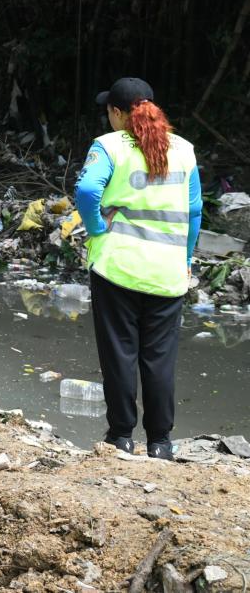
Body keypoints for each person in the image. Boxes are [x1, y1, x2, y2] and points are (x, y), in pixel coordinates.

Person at [75, 78, 201, 460]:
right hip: (167, 272)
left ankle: (121, 437)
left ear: (116, 112)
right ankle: (161, 443)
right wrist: (186, 257)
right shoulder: (183, 149)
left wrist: (96, 227)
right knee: (159, 358)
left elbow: (85, 192)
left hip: (119, 267)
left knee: (120, 354)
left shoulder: (109, 145)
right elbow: (195, 211)